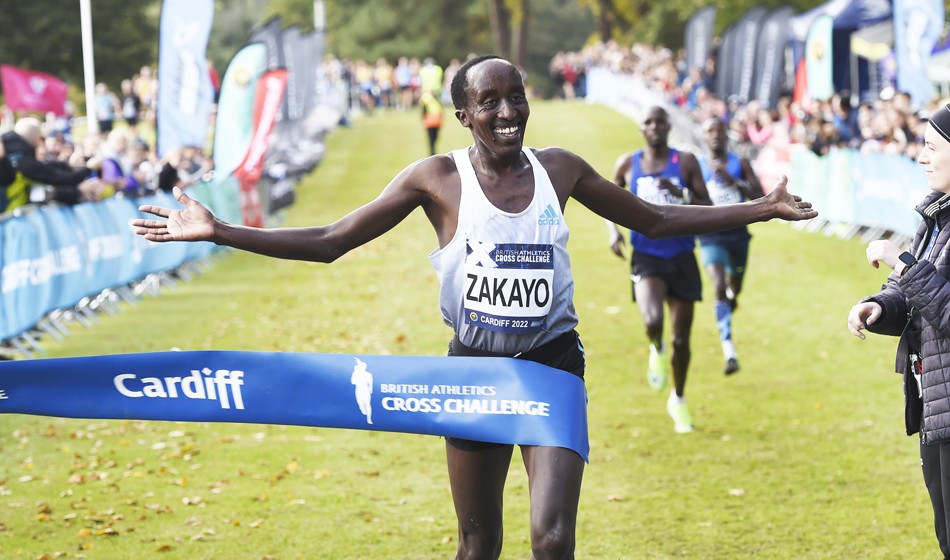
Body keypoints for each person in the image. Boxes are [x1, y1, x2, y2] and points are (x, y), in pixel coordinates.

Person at [134, 55, 816, 559]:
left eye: (516, 98)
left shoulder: (561, 170)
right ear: (462, 114)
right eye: (488, 102)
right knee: (477, 546)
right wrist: (221, 230)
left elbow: (656, 221)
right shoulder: (434, 179)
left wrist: (765, 207)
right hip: (473, 375)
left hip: (552, 369)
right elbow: (330, 241)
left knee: (552, 542)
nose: (507, 112)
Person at [847, 103, 950, 559]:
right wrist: (876, 305)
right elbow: (907, 295)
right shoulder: (935, 216)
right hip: (935, 405)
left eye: (931, 148)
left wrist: (902, 262)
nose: (921, 158)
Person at [606, 105, 711, 434]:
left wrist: (680, 194)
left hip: (682, 255)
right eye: (648, 122)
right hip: (647, 254)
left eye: (660, 122)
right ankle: (656, 347)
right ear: (642, 128)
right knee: (653, 320)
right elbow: (609, 200)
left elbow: (708, 207)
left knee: (682, 338)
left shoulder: (686, 162)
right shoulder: (628, 163)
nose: (654, 127)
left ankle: (678, 399)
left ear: (668, 127)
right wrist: (613, 232)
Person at [698, 118, 765, 375]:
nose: (715, 135)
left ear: (727, 135)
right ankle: (729, 349)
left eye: (719, 130)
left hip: (737, 238)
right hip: (710, 237)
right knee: (717, 285)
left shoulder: (740, 163)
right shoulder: (697, 165)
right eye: (710, 131)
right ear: (704, 137)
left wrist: (733, 182)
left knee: (733, 288)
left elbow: (759, 196)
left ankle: (731, 298)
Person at [0, 118, 102, 212]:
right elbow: (60, 178)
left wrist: (70, 166)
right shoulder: (24, 161)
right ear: (37, 137)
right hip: (8, 216)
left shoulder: (14, 155)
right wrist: (89, 168)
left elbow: (48, 169)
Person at [420, 90, 444, 156]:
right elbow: (423, 109)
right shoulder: (426, 98)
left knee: (435, 137)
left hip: (437, 121)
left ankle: (433, 152)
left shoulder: (437, 98)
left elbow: (441, 107)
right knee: (431, 138)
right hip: (430, 122)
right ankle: (432, 152)